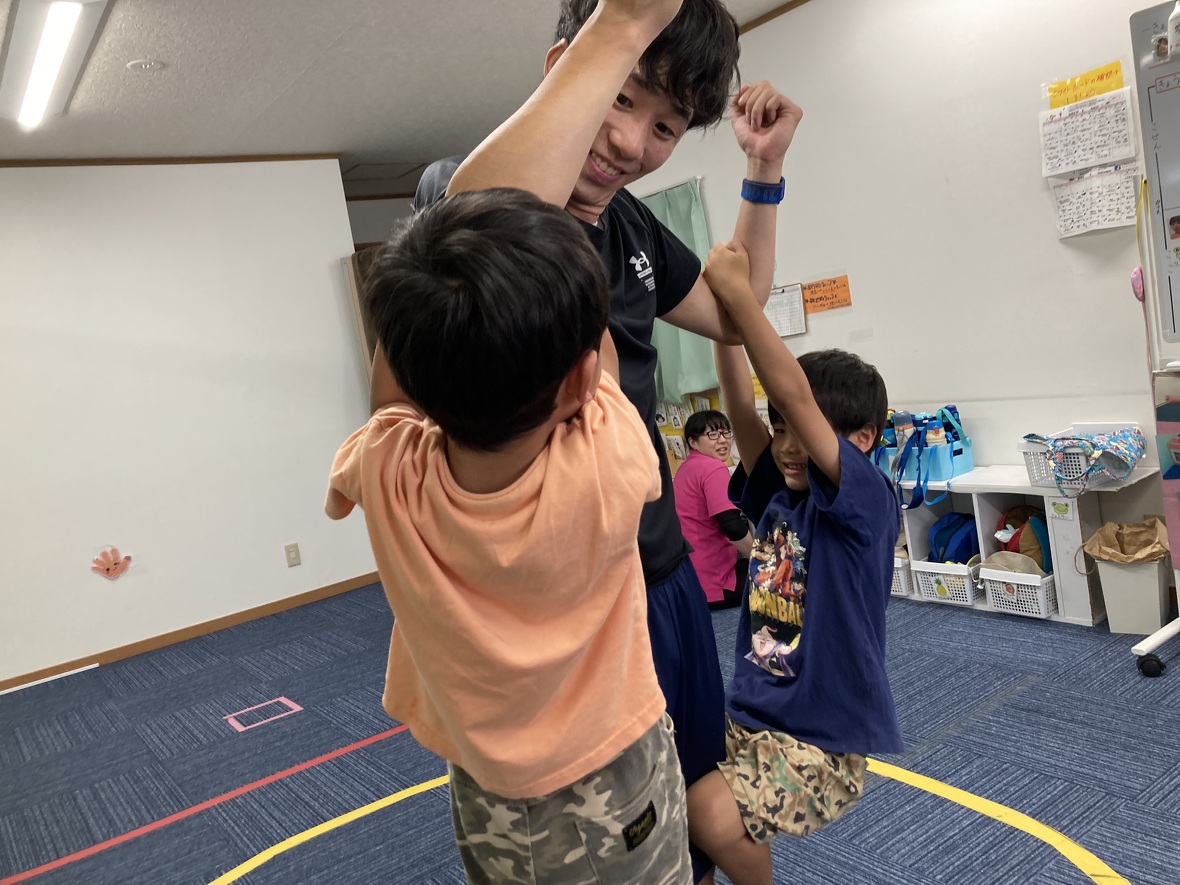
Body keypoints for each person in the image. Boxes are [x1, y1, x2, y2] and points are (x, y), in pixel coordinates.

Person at [391, 3, 803, 878]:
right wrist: (619, 26)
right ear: (566, 70)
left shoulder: (630, 226)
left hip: (664, 573)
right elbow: (475, 207)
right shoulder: (470, 195)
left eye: (664, 127)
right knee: (614, 839)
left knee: (702, 795)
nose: (628, 142)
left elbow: (738, 311)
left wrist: (762, 173)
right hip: (573, 610)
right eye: (619, 97)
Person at [326, 188, 691, 884]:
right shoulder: (608, 463)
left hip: (485, 791)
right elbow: (603, 373)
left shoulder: (387, 469)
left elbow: (389, 404)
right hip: (610, 781)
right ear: (580, 379)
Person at [684, 240, 904, 885]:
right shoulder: (782, 496)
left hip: (821, 741)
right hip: (748, 715)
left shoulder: (866, 504)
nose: (786, 444)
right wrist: (724, 325)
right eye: (779, 428)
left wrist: (743, 298)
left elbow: (798, 399)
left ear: (861, 441)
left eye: (800, 433)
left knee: (710, 814)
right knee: (672, 815)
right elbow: (744, 406)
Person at [673, 410, 750, 610]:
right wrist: (762, 559)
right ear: (693, 442)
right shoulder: (713, 468)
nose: (723, 440)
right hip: (714, 584)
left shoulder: (685, 468)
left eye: (726, 433)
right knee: (782, 576)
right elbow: (732, 526)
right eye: (713, 434)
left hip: (690, 579)